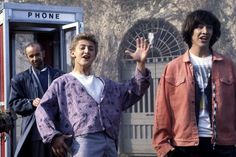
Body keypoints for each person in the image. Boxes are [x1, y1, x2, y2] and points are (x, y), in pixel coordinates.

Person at [35, 33, 151, 157]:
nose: (87, 51)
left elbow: (134, 90)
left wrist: (140, 64)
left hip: (110, 141)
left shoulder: (107, 84)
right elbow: (42, 109)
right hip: (82, 142)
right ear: (72, 53)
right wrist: (53, 136)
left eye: (91, 49)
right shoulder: (62, 83)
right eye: (82, 47)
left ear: (95, 55)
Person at [152, 9, 236, 157]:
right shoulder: (173, 68)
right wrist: (164, 148)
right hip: (185, 146)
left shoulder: (228, 65)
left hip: (223, 146)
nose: (205, 31)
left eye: (209, 27)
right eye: (199, 27)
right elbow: (162, 110)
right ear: (190, 31)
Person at [9, 42, 64, 157]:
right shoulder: (19, 79)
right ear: (26, 57)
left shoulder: (59, 76)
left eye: (37, 54)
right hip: (34, 132)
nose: (35, 58)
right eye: (31, 56)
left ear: (43, 54)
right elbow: (14, 103)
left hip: (56, 130)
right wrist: (31, 103)